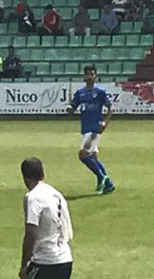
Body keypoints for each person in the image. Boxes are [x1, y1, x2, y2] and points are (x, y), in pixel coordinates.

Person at [65, 65, 115, 194]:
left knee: (83, 155)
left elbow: (110, 108)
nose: (89, 77)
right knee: (93, 157)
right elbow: (73, 106)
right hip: (85, 128)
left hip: (94, 128)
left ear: (95, 76)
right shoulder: (80, 93)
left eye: (92, 74)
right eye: (87, 74)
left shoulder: (100, 92)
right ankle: (108, 184)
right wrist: (69, 109)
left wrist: (105, 122)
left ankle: (102, 177)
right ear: (84, 76)